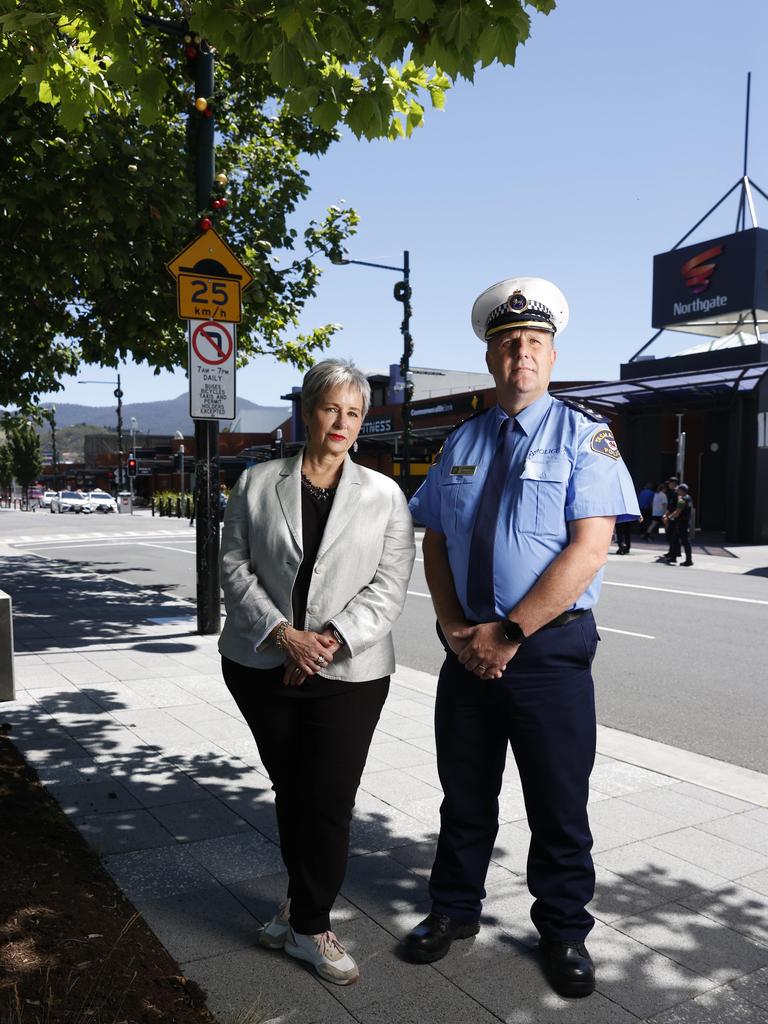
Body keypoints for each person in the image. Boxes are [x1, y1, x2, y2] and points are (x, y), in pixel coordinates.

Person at [403, 277, 639, 998]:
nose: (521, 354)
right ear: (491, 356)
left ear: (552, 354)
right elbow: (436, 540)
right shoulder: (463, 441)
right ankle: (453, 911)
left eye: (534, 342)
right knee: (463, 793)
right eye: (508, 343)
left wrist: (508, 632)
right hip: (467, 646)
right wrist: (451, 626)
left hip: (546, 653)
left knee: (558, 800)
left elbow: (588, 550)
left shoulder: (584, 437)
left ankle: (564, 931)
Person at [218, 358, 415, 986]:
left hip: (350, 672)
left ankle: (308, 926)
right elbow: (233, 565)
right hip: (260, 664)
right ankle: (299, 908)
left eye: (354, 413)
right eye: (331, 408)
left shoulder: (385, 495)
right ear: (308, 411)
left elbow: (390, 586)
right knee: (292, 788)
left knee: (328, 797)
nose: (342, 422)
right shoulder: (256, 482)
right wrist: (282, 635)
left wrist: (324, 643)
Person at [664, 483, 693, 565]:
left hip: (681, 523)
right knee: (675, 539)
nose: (677, 491)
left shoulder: (682, 499)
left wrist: (668, 517)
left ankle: (688, 560)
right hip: (684, 522)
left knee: (685, 541)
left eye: (679, 490)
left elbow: (677, 512)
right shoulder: (688, 498)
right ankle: (673, 557)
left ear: (682, 491)